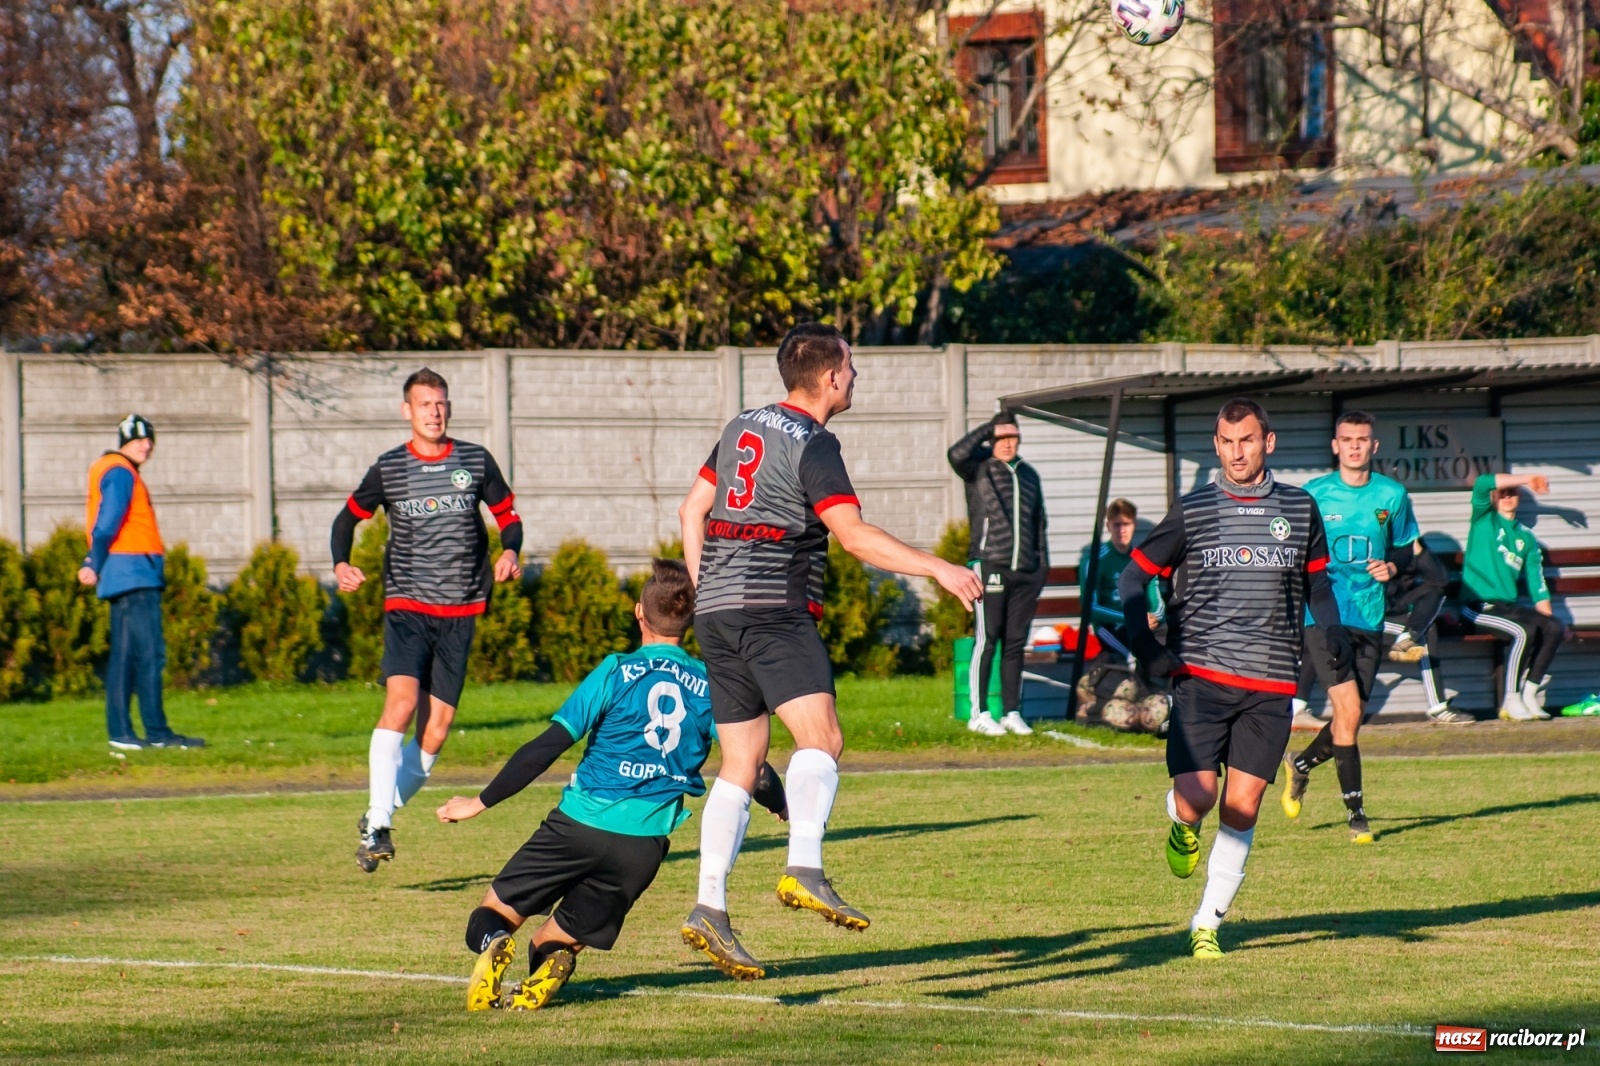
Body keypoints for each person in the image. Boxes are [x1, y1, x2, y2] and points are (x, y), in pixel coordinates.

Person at [678, 321, 982, 980]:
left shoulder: (740, 426)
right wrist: (937, 568)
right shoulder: (814, 443)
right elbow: (854, 537)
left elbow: (691, 509)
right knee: (823, 739)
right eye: (853, 365)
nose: (857, 375)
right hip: (774, 611)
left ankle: (710, 907)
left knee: (741, 764)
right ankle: (805, 867)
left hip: (718, 614)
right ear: (830, 376)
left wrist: (707, 589)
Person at [436, 561, 787, 1011]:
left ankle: (495, 941)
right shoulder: (710, 684)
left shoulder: (616, 671)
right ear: (692, 622)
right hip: (641, 849)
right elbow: (751, 765)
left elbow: (546, 747)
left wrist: (478, 802)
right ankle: (545, 968)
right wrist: (781, 803)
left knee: (490, 918)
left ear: (639, 612)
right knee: (554, 939)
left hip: (578, 825)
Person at [1118, 397, 1350, 959]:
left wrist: (1333, 628)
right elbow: (1133, 577)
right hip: (1200, 675)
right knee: (1198, 798)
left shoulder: (1300, 508)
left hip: (1270, 683)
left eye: (1247, 439)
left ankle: (1206, 924)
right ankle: (1180, 823)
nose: (1236, 451)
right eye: (1226, 441)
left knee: (1242, 808)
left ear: (1267, 442)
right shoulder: (1194, 509)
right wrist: (1148, 647)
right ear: (1216, 444)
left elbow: (1317, 582)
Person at [330, 367, 524, 872]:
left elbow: (508, 516)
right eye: (424, 405)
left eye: (440, 404)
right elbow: (346, 518)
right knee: (400, 703)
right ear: (407, 411)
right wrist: (342, 563)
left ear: (448, 408)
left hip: (460, 611)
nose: (433, 412)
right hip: (407, 606)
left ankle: (379, 815)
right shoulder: (390, 468)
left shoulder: (475, 461)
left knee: (436, 730)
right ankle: (378, 823)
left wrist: (510, 552)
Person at [1280, 411, 1420, 844]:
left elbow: (1407, 550)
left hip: (1370, 618)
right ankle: (1357, 816)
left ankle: (1300, 765)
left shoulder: (1392, 495)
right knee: (1350, 711)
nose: (1355, 446)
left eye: (1363, 439)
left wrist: (1392, 566)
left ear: (1374, 446)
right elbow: (1292, 553)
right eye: (1347, 439)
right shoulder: (1314, 495)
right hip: (1324, 618)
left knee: (1349, 719)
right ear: (1335, 446)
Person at [78, 414, 205, 751]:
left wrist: (97, 561)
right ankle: (158, 734)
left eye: (150, 439)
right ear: (124, 443)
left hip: (122, 574)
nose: (146, 445)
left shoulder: (111, 468)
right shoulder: (120, 471)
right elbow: (109, 519)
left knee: (123, 657)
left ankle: (120, 734)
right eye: (138, 440)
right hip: (133, 573)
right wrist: (94, 560)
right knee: (150, 655)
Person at [947, 412, 1048, 736]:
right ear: (992, 439)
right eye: (1001, 438)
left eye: (1012, 437)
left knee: (1015, 643)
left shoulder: (1030, 474)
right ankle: (978, 713)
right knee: (987, 639)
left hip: (1026, 573)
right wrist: (989, 428)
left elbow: (1040, 523)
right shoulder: (977, 467)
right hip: (989, 563)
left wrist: (1041, 569)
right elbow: (955, 453)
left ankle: (1011, 712)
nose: (1007, 444)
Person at [1459, 472, 1565, 721]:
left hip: (1508, 607)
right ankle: (1511, 698)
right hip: (1477, 606)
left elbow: (1537, 584)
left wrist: (1548, 623)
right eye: (1503, 492)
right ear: (1495, 498)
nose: (1507, 496)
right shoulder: (1484, 519)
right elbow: (1483, 483)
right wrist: (1526, 479)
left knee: (1554, 627)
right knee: (1522, 631)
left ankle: (1529, 694)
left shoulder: (1526, 537)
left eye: (1512, 493)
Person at [1382, 541, 1472, 723]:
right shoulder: (1366, 537)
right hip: (1365, 617)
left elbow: (1441, 580)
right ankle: (1437, 706)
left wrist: (1418, 549)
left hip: (1395, 611)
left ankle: (1407, 637)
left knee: (1435, 591)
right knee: (1427, 630)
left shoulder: (1405, 541)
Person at [1080, 498, 1164, 664]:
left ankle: (1163, 689)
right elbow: (1090, 607)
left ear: (1134, 525)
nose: (1122, 531)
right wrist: (1133, 618)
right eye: (1117, 525)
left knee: (1173, 647)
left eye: (1126, 524)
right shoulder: (1095, 560)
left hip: (1143, 624)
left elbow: (1156, 599)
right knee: (1137, 655)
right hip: (1110, 626)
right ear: (1108, 526)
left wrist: (1155, 616)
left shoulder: (1144, 558)